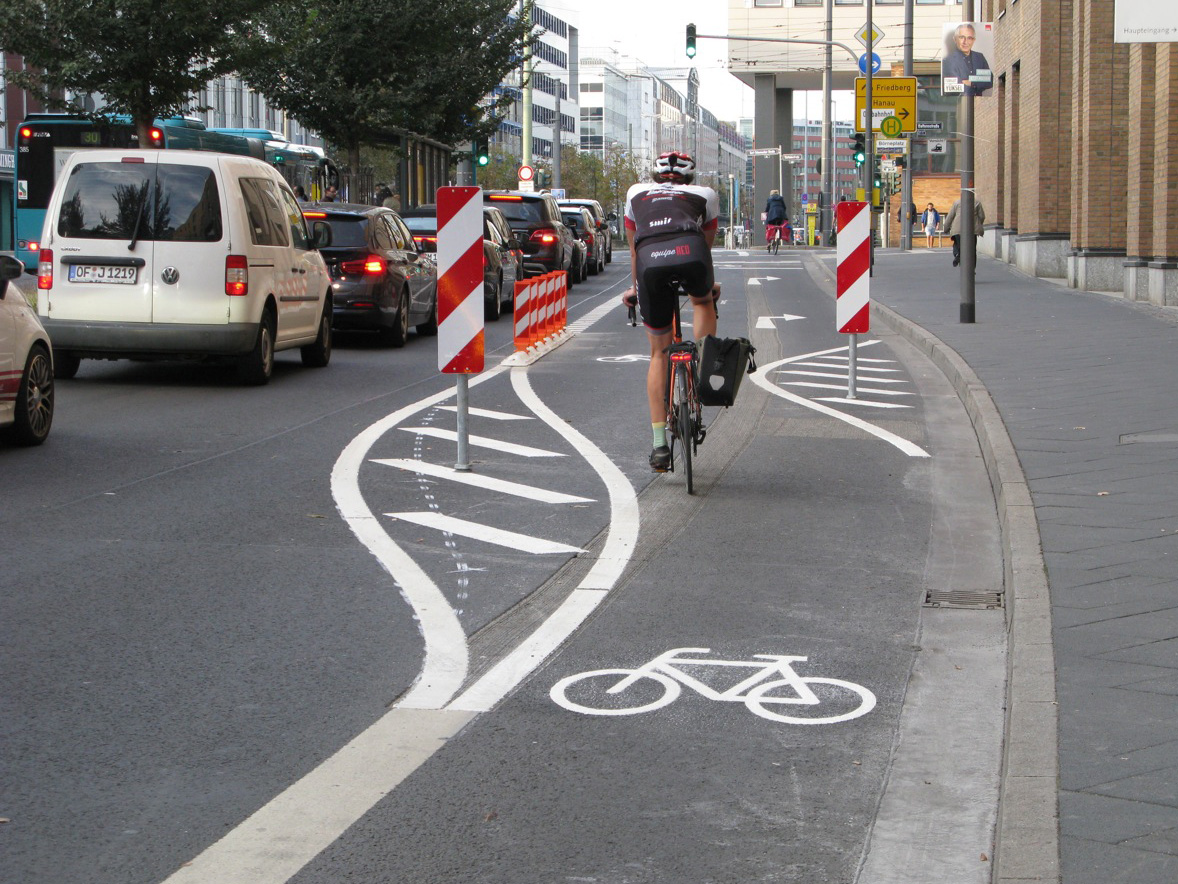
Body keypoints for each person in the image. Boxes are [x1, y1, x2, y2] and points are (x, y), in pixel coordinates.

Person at [620, 150, 720, 472]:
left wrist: (636, 289)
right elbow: (705, 245)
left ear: (655, 177)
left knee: (658, 354)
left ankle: (660, 446)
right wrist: (708, 288)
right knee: (702, 301)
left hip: (650, 261)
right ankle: (703, 365)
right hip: (690, 253)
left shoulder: (636, 193)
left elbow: (634, 247)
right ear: (689, 178)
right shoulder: (705, 195)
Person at [943, 23, 992, 97]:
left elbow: (990, 81)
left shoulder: (979, 57)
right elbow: (959, 86)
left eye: (969, 38)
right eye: (962, 37)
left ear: (973, 40)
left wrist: (971, 83)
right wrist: (979, 83)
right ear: (955, 39)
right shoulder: (948, 61)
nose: (965, 42)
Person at [944, 196, 985, 267]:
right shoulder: (977, 202)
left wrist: (946, 228)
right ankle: (972, 268)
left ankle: (958, 255)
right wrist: (978, 223)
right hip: (972, 229)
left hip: (958, 229)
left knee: (958, 244)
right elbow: (982, 216)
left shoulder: (956, 203)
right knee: (972, 249)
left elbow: (950, 216)